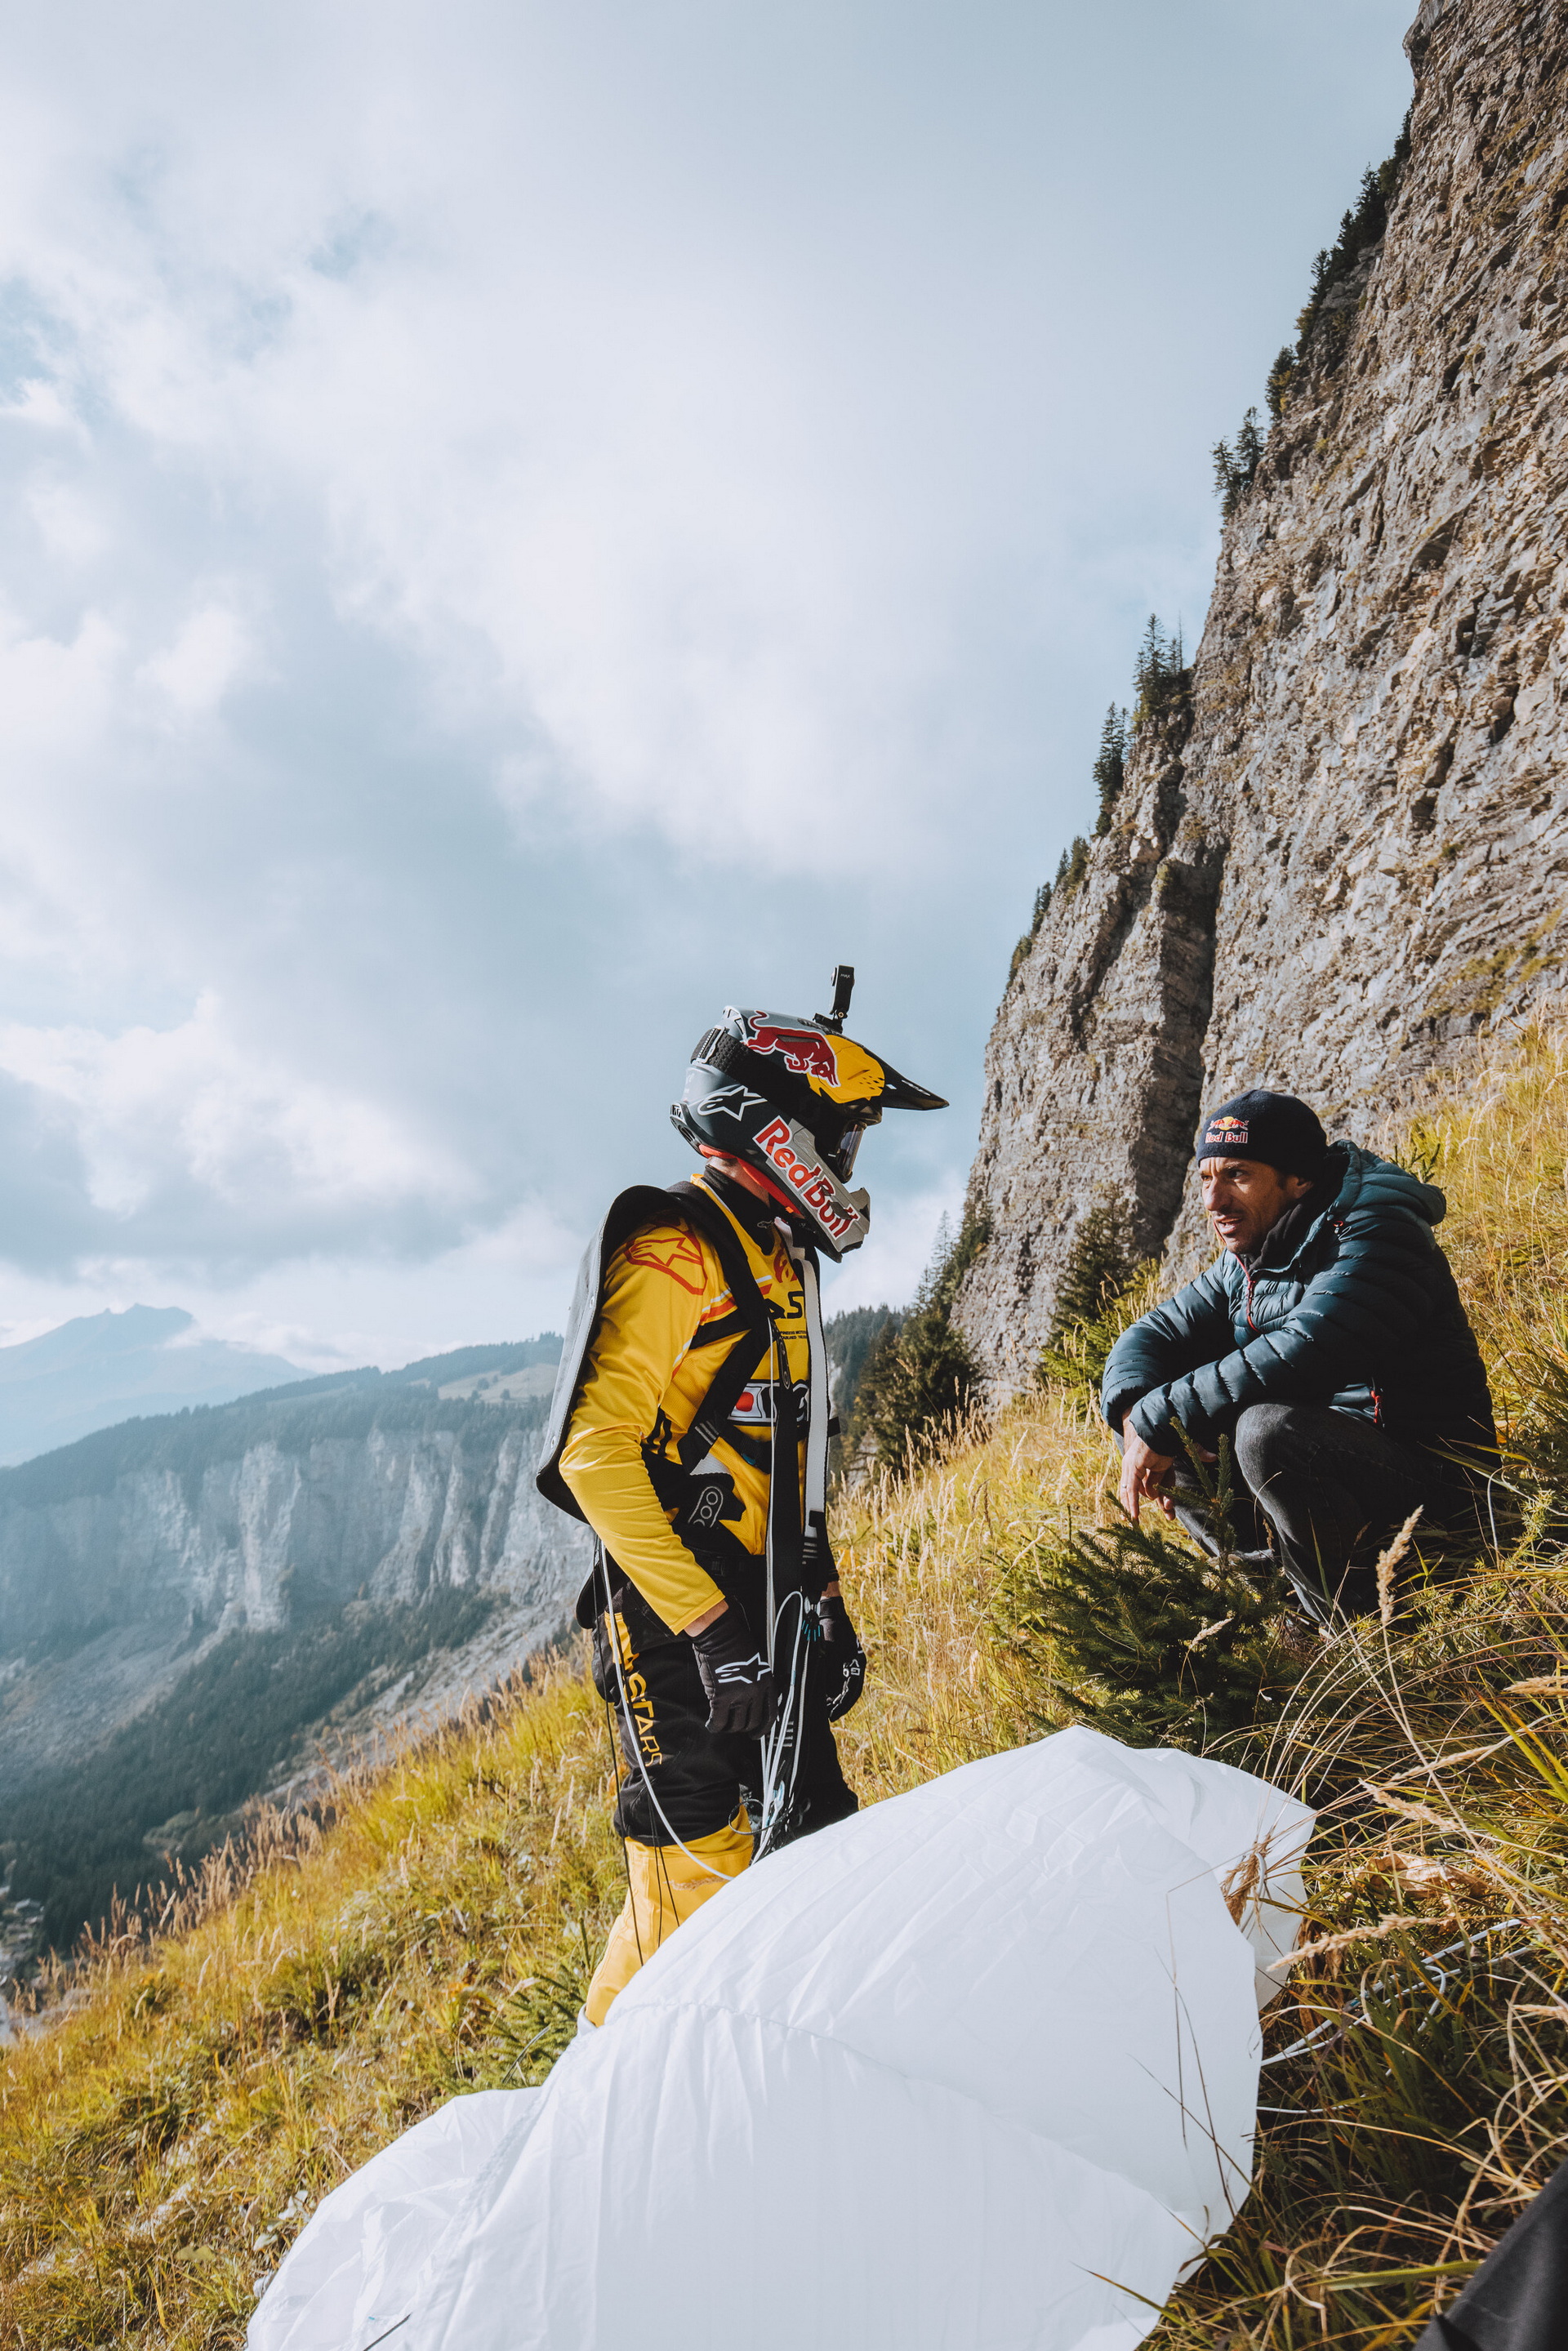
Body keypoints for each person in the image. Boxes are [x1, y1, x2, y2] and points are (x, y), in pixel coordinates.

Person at [536, 969, 946, 2024]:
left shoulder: (781, 1257)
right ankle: (596, 2106)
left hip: (769, 1603)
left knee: (814, 1843)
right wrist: (711, 1627)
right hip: (679, 1614)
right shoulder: (674, 1244)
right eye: (841, 1134)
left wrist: (824, 1592)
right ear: (780, 1128)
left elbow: (786, 1450)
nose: (850, 1162)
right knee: (691, 1878)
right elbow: (593, 1453)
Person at [1102, 1088, 1496, 1620]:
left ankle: (1357, 1634)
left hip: (1439, 1492)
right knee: (1188, 1440)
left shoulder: (1378, 1229)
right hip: (1339, 1483)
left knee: (1264, 1430)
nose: (1213, 1202)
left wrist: (1162, 1419)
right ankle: (1291, 1616)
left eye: (1236, 1174)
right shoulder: (1253, 1251)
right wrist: (1135, 1417)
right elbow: (1152, 1335)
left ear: (1299, 1178)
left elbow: (1308, 1349)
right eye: (1205, 1178)